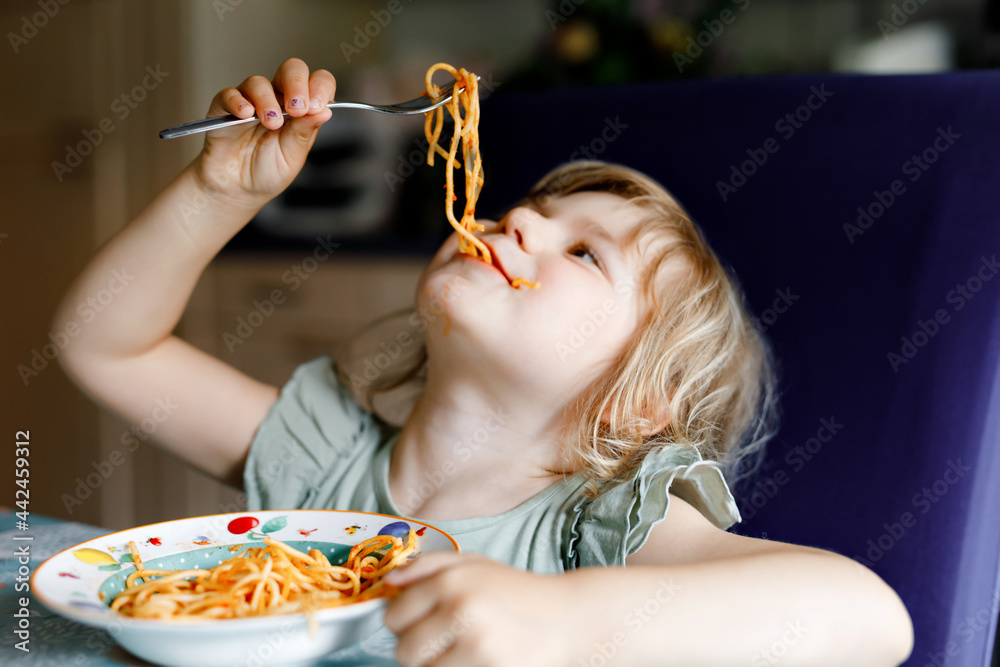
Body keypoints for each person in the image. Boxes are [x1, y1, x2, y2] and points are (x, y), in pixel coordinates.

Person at [53, 58, 914, 666]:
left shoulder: (597, 526)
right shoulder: (324, 457)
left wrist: (564, 622)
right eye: (525, 210)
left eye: (585, 254)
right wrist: (219, 192)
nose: (517, 224)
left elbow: (872, 621)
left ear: (638, 402)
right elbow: (105, 344)